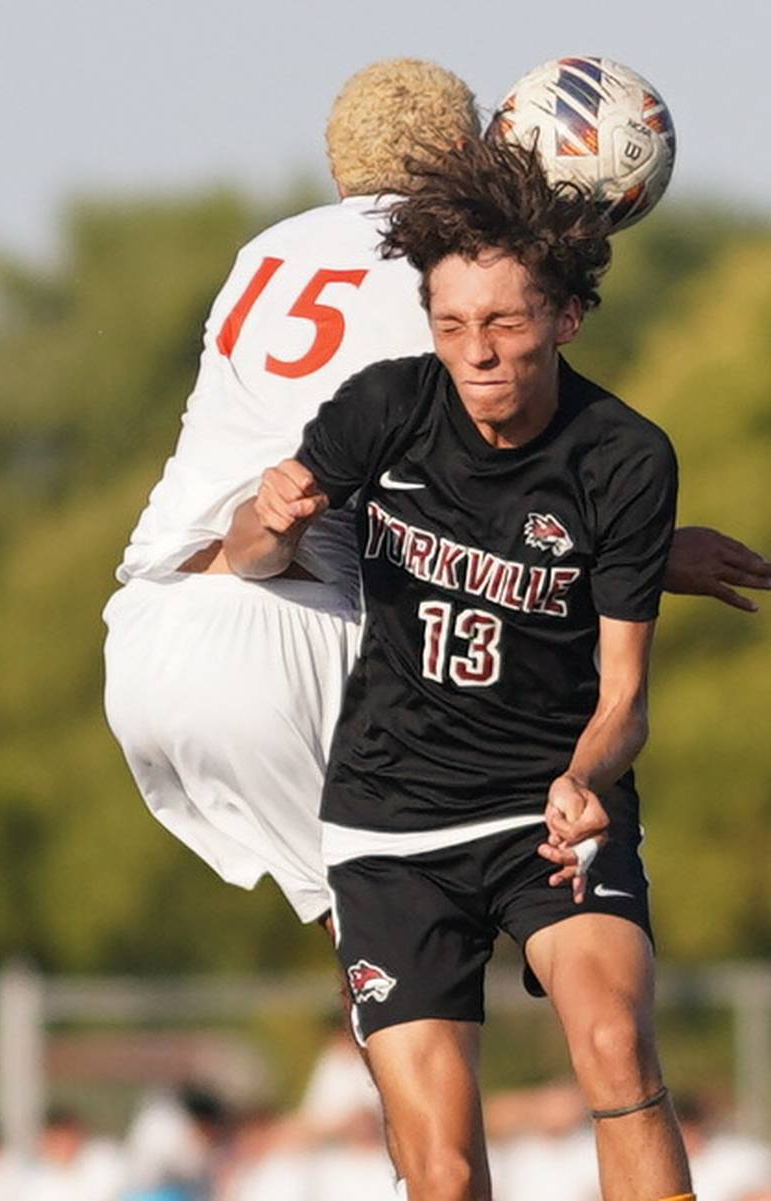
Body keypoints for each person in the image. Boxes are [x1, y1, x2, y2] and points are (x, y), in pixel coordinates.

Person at [104, 57, 771, 936]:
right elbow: (499, 484)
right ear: (465, 151)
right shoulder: (438, 272)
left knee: (375, 939)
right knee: (434, 920)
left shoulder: (265, 252)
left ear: (339, 167)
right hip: (294, 623)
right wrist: (646, 550)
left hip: (154, 630)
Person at [224, 136, 697, 1201]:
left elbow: (622, 695)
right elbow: (253, 560)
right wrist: (267, 520)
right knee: (439, 1169)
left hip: (544, 810)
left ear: (564, 318)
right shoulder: (384, 406)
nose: (475, 351)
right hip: (388, 826)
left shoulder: (622, 457)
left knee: (615, 1045)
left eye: (503, 322)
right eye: (450, 326)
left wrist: (584, 779)